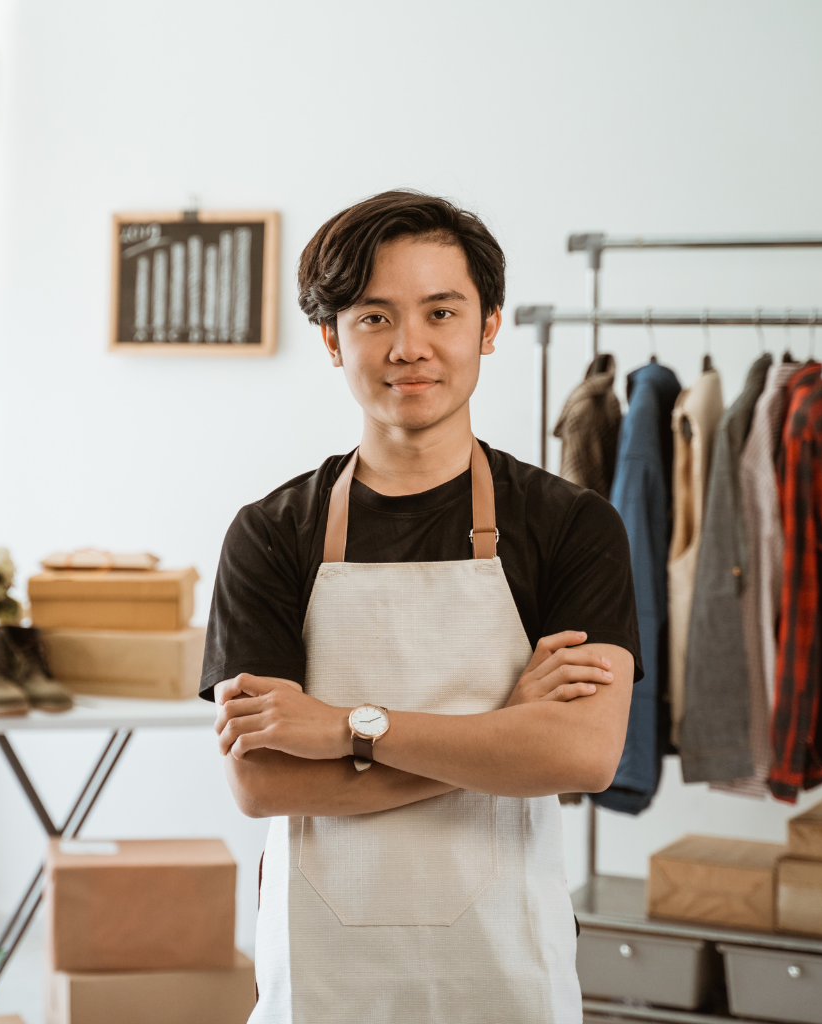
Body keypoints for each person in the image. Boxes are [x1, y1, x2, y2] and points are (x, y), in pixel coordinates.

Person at [202, 190, 642, 1024]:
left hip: (509, 972)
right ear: (332, 339)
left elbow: (582, 755)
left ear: (488, 326)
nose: (410, 347)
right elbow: (262, 782)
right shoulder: (270, 534)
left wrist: (345, 730)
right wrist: (503, 734)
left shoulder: (571, 525)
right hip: (322, 982)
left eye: (441, 311)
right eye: (374, 318)